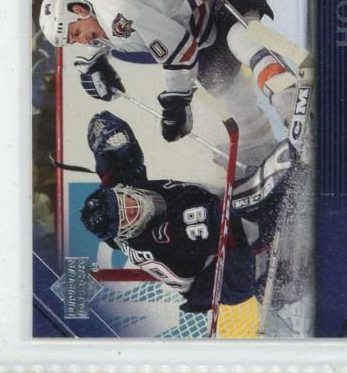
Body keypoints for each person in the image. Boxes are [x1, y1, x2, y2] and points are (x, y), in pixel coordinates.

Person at [39, 0, 303, 165]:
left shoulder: (119, 13)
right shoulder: (91, 10)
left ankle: (290, 102)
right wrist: (93, 64)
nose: (82, 40)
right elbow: (98, 40)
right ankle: (260, 147)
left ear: (78, 10)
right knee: (224, 90)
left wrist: (176, 102)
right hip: (199, 28)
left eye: (76, 33)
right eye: (74, 41)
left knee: (241, 39)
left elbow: (180, 49)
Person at [78, 110, 288, 313]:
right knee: (257, 219)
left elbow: (113, 160)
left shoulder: (119, 193)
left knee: (250, 198)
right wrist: (276, 168)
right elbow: (223, 214)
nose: (135, 207)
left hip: (210, 224)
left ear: (121, 191)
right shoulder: (160, 238)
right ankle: (284, 281)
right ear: (126, 233)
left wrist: (102, 132)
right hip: (223, 277)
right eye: (129, 217)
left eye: (126, 201)